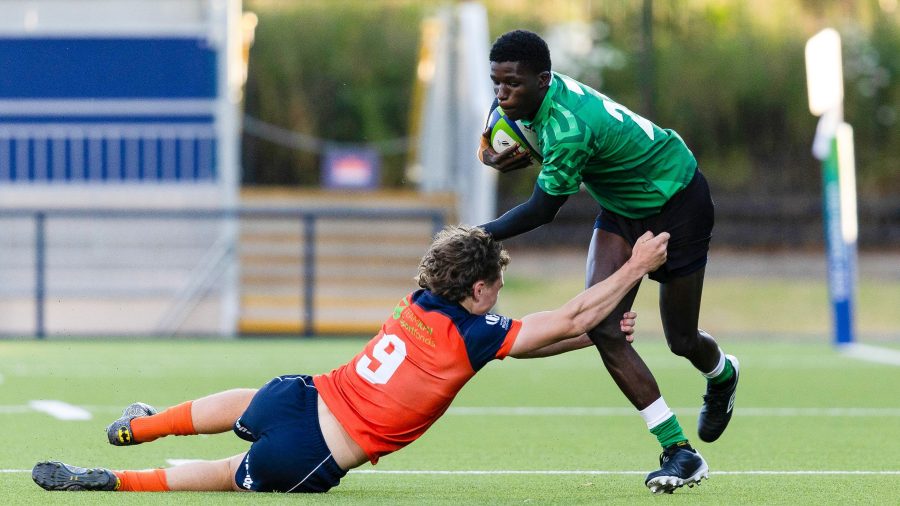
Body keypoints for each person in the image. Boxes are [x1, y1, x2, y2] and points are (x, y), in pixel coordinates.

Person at [32, 225, 682, 495]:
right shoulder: (476, 332)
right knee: (225, 473)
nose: (500, 298)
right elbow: (561, 320)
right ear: (479, 291)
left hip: (301, 395)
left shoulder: (424, 300)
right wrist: (634, 267)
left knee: (241, 404)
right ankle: (111, 483)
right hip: (317, 452)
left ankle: (139, 425)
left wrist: (594, 332)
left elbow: (550, 334)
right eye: (497, 289)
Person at [477, 30, 739, 494]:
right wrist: (504, 149)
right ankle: (678, 450)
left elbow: (543, 210)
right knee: (601, 325)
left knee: (681, 339)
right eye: (496, 83)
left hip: (676, 198)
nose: (502, 94)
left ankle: (723, 373)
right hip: (621, 206)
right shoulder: (525, 104)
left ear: (543, 79)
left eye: (512, 84)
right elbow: (507, 143)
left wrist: (476, 234)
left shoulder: (568, 127)